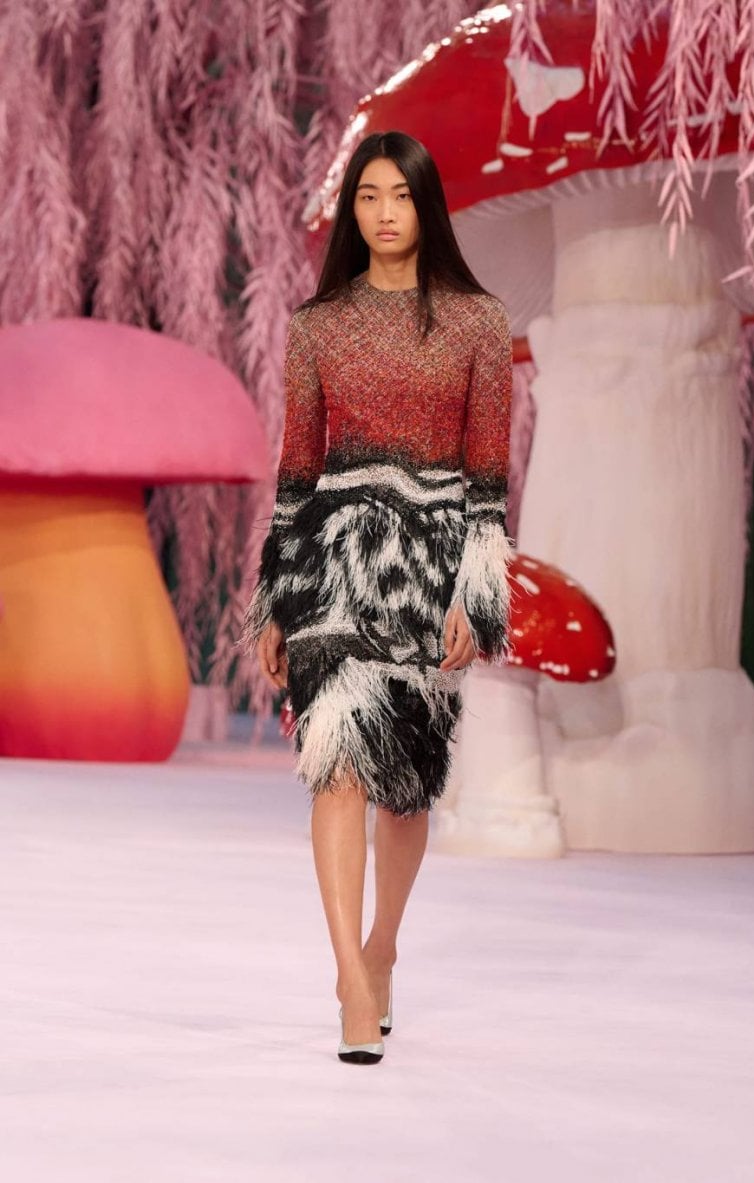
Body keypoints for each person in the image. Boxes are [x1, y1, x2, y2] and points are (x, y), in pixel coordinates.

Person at [242, 130, 513, 1064]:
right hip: (332, 562)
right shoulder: (317, 325)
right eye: (368, 195)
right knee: (337, 765)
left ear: (425, 203)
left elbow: (486, 478)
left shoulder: (478, 322)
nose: (384, 212)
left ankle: (382, 947)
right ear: (351, 208)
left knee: (405, 788)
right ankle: (352, 985)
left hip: (429, 570)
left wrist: (476, 593)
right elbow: (296, 472)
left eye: (400, 194)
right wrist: (276, 596)